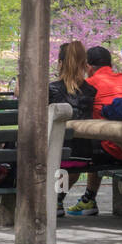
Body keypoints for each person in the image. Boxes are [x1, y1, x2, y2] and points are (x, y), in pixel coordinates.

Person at [64, 45, 122, 217]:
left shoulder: (89, 85)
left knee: (78, 150)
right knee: (96, 144)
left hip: (111, 150)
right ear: (109, 65)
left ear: (88, 67)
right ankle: (89, 198)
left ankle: (57, 199)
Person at [49, 40, 98, 216]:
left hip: (57, 155)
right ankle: (58, 199)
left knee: (60, 161)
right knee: (71, 164)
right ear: (84, 64)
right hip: (83, 155)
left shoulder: (52, 89)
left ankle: (55, 199)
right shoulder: (91, 91)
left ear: (60, 63)